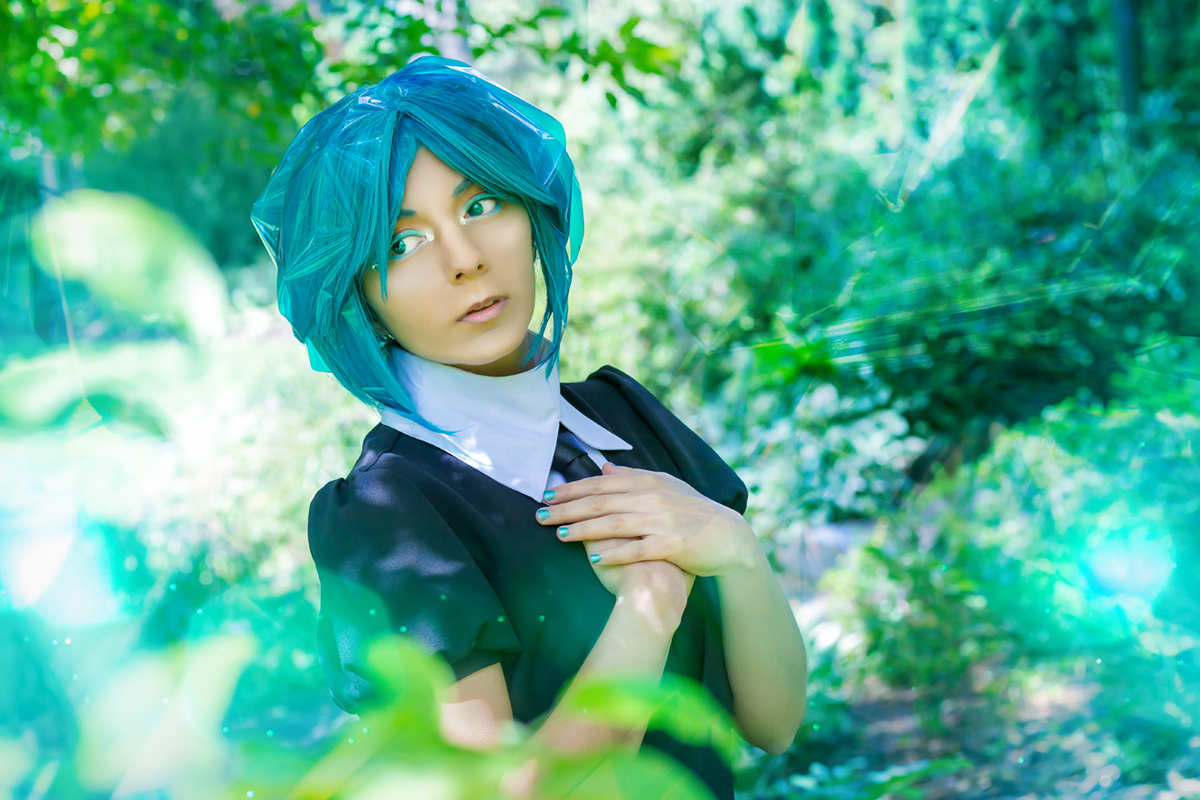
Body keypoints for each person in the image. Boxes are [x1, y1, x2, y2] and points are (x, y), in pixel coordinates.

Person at [251, 55, 807, 798]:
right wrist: (650, 603)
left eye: (481, 205)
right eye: (400, 244)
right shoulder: (387, 517)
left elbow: (773, 724)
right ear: (358, 296)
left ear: (531, 210)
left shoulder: (622, 417)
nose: (465, 260)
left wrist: (736, 550)